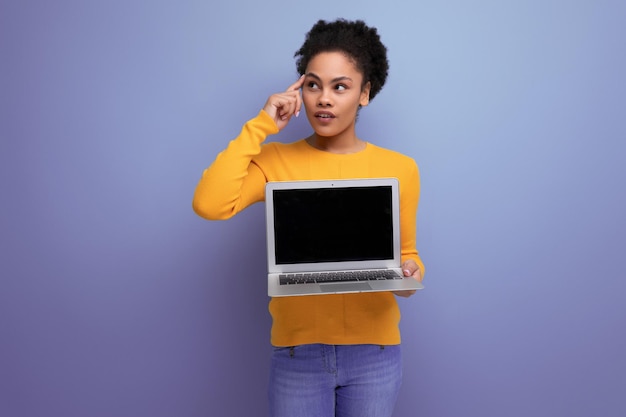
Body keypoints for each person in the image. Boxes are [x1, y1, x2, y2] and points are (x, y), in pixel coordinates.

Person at [193, 18, 425, 417]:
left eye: (341, 87)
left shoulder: (400, 168)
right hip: (297, 355)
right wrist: (262, 124)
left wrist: (408, 275)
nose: (324, 99)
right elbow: (210, 204)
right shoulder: (276, 160)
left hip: (375, 355)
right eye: (314, 84)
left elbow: (408, 256)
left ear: (364, 93)